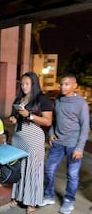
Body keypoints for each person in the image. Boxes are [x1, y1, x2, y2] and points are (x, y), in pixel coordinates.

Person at [40, 74, 90, 214]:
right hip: (58, 143)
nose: (62, 86)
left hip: (74, 145)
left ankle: (69, 200)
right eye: (61, 84)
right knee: (49, 169)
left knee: (72, 174)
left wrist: (80, 148)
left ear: (75, 86)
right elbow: (55, 121)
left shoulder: (81, 103)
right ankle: (49, 195)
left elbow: (85, 126)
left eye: (66, 84)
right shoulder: (59, 100)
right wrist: (51, 133)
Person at [9, 71, 53, 214]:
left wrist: (30, 116)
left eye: (27, 83)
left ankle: (32, 201)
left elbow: (48, 121)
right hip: (18, 137)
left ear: (34, 84)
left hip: (34, 138)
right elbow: (14, 115)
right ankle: (17, 196)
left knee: (33, 169)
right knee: (19, 167)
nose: (24, 86)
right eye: (22, 84)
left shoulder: (42, 100)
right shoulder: (19, 99)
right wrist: (13, 118)